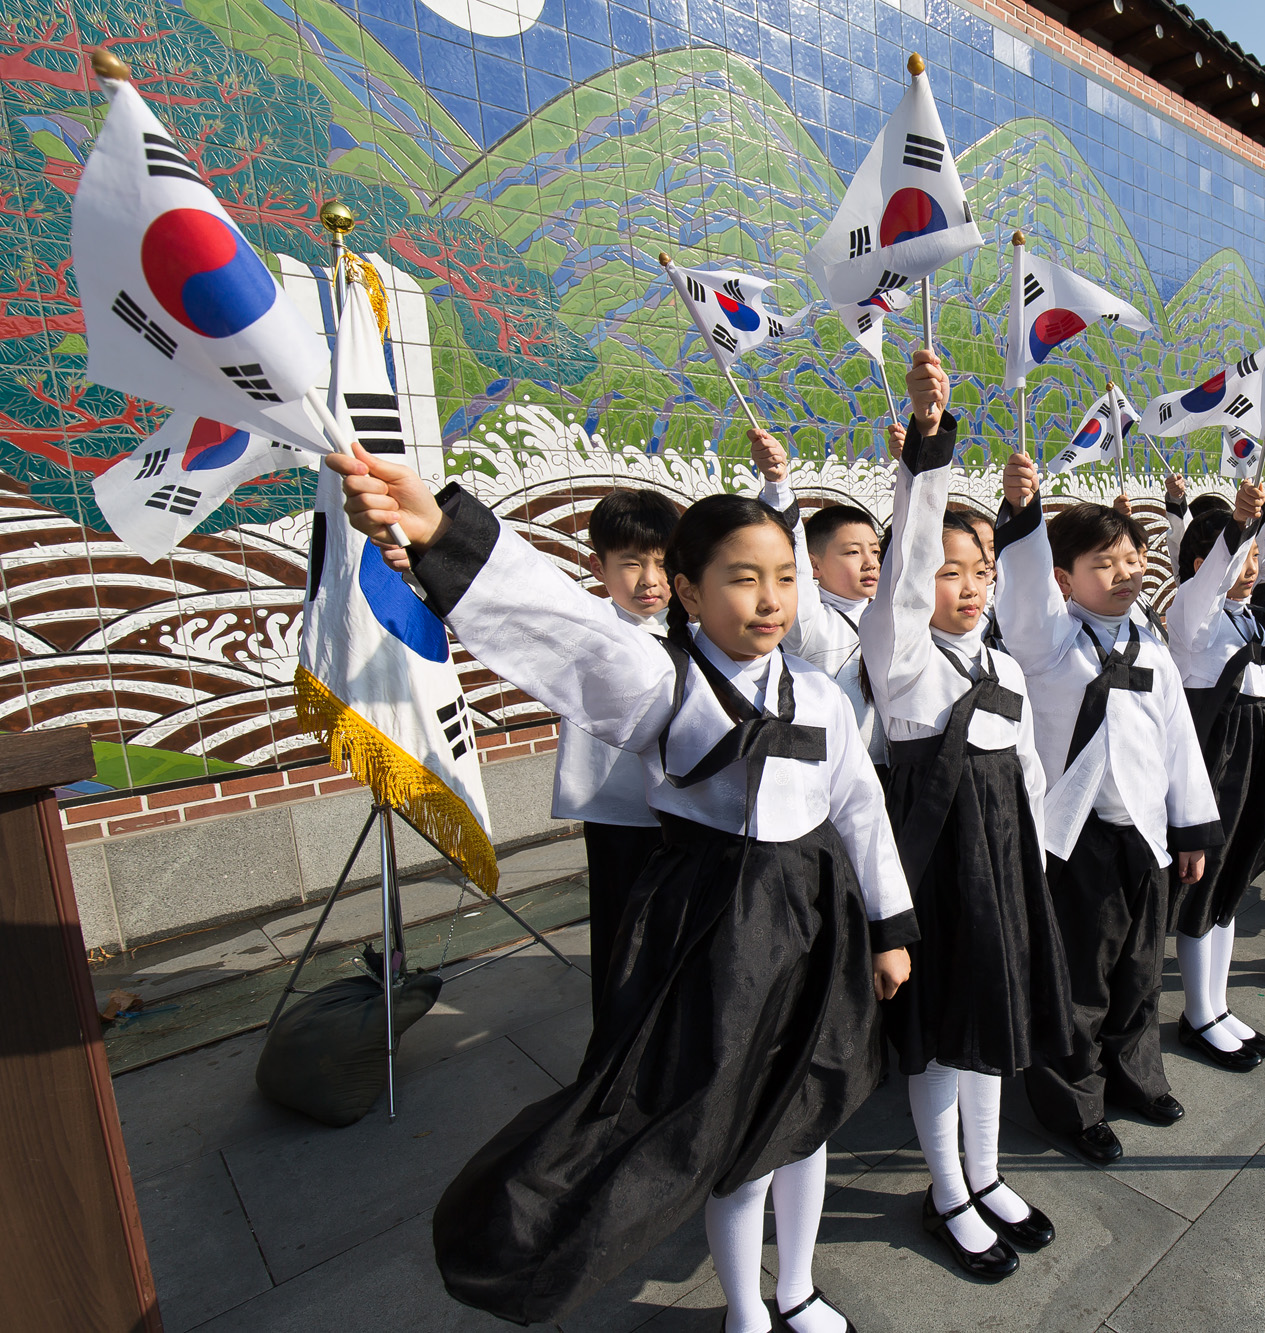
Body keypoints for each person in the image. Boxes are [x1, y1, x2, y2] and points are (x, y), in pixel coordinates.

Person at [328, 443, 917, 1333]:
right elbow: (561, 628)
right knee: (725, 1127)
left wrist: (889, 926)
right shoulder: (662, 681)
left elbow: (861, 811)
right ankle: (748, 1309)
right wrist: (441, 530)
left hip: (817, 921)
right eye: (742, 579)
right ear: (688, 592)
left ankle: (797, 1286)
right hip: (715, 933)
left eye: (784, 578)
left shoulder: (821, 696)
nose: (769, 600)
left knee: (807, 1109)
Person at [856, 350, 1074, 1281]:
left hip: (1003, 868)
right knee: (942, 1041)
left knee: (992, 1024)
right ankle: (946, 1189)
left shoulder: (1005, 665)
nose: (970, 584)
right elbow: (906, 571)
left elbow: (1027, 774)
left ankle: (987, 1174)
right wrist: (928, 450)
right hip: (934, 870)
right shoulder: (900, 654)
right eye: (953, 571)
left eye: (981, 568)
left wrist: (1036, 871)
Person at [994, 449, 1221, 1167]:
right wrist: (1023, 514)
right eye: (1104, 563)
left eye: (1132, 558)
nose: (1126, 572)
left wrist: (1190, 827)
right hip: (1076, 839)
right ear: (1064, 579)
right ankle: (1073, 1101)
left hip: (1144, 837)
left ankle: (1135, 1075)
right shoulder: (1047, 639)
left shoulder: (1149, 641)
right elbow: (1022, 590)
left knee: (1139, 970)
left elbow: (1178, 738)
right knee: (1079, 981)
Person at [1167, 477, 1265, 1071]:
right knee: (1206, 887)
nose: (1251, 569)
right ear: (1205, 566)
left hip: (1256, 761)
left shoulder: (1249, 621)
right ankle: (1198, 1014)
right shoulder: (1191, 619)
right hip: (1216, 766)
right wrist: (1240, 526)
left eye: (1253, 559)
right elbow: (1205, 591)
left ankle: (1217, 1006)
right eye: (1241, 559)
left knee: (1232, 886)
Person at [551, 487, 678, 1023]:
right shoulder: (584, 624)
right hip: (616, 812)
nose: (650, 580)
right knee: (621, 929)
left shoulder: (693, 626)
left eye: (663, 563)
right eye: (630, 564)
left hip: (683, 808)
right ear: (597, 566)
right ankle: (617, 1039)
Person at [763, 426, 904, 774]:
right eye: (853, 552)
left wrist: (911, 469)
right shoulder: (809, 623)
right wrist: (778, 485)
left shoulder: (890, 615)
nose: (871, 563)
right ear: (815, 565)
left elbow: (914, 545)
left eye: (875, 551)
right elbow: (792, 556)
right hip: (831, 771)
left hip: (894, 770)